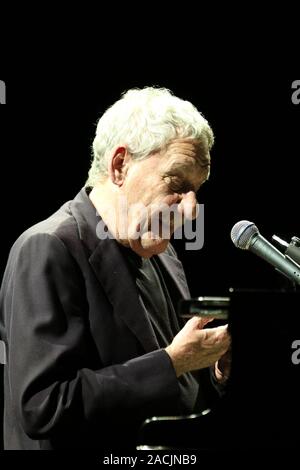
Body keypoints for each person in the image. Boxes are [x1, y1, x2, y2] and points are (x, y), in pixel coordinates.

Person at [0, 87, 230, 450]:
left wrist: (213, 371)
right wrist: (171, 363)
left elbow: (176, 389)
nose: (190, 211)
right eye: (176, 184)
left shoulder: (163, 255)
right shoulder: (48, 247)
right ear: (120, 165)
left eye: (196, 191)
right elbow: (44, 408)